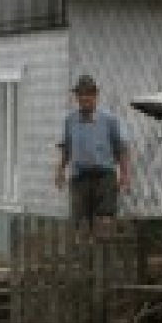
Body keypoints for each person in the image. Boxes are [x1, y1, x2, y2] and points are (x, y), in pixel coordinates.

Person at [55, 75, 130, 225]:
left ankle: (102, 238)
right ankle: (84, 239)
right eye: (80, 94)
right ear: (76, 97)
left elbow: (121, 148)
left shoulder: (109, 120)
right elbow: (66, 147)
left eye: (88, 94)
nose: (84, 98)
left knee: (104, 219)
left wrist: (124, 175)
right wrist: (60, 170)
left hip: (104, 175)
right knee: (80, 221)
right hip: (80, 176)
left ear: (95, 95)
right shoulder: (70, 120)